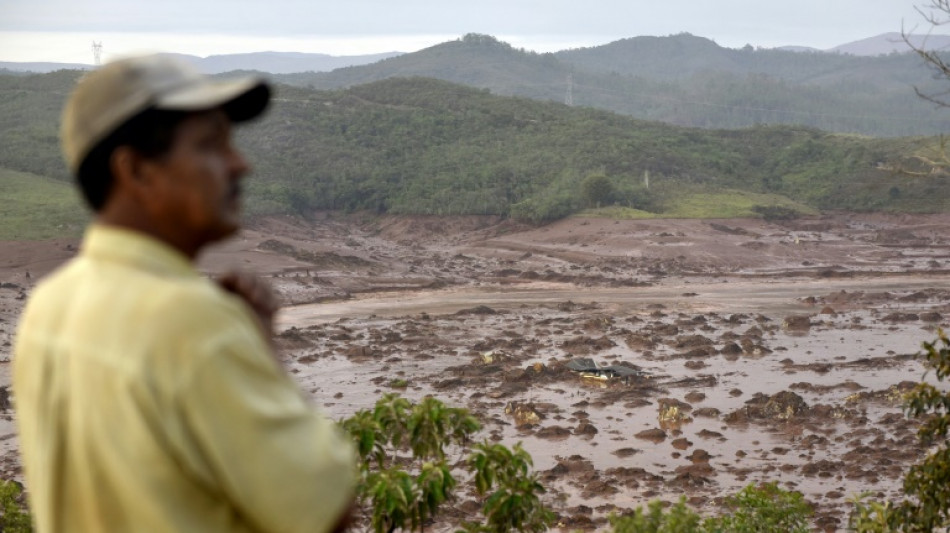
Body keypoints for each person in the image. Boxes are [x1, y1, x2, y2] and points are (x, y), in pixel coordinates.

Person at [12, 54, 355, 532]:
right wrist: (265, 355)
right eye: (210, 146)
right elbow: (323, 509)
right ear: (136, 171)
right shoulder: (192, 319)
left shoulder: (48, 307)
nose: (240, 164)